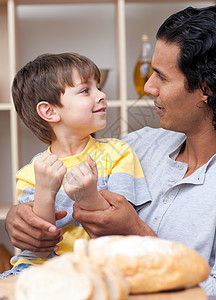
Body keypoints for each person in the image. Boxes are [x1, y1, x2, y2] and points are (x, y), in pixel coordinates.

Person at [4, 4, 216, 295]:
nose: (148, 87)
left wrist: (135, 233)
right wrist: (21, 215)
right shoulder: (136, 145)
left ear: (206, 89)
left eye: (162, 77)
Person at [1, 52, 149, 277]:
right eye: (85, 90)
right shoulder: (30, 173)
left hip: (99, 264)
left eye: (97, 86)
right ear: (49, 111)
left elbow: (118, 226)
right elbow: (40, 244)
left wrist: (89, 196)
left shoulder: (118, 153)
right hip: (40, 268)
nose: (101, 95)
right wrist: (45, 191)